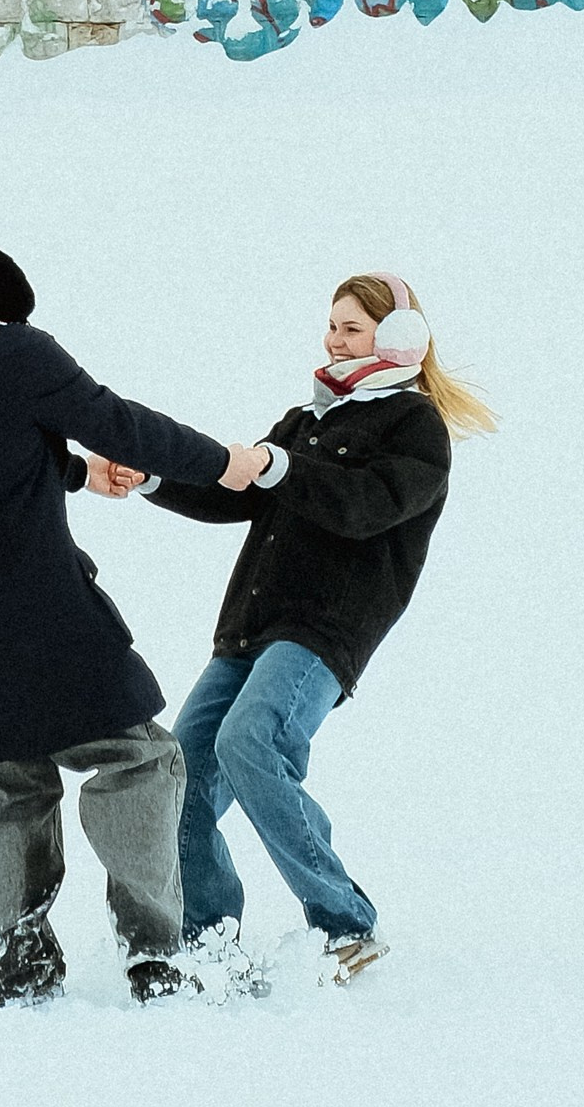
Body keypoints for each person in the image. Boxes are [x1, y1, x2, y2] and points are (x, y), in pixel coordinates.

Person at [0, 191, 269, 1010]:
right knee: (141, 759)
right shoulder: (15, 354)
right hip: (41, 605)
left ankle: (15, 967)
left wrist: (76, 474)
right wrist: (224, 462)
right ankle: (155, 954)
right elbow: (118, 422)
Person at [86, 269, 494, 990]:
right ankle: (209, 936)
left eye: (353, 328)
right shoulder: (308, 420)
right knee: (182, 772)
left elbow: (366, 505)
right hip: (250, 625)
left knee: (251, 742)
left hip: (324, 630)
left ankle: (347, 926)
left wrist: (280, 468)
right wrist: (150, 479)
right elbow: (235, 491)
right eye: (333, 325)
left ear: (399, 338)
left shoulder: (414, 428)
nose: (336, 340)